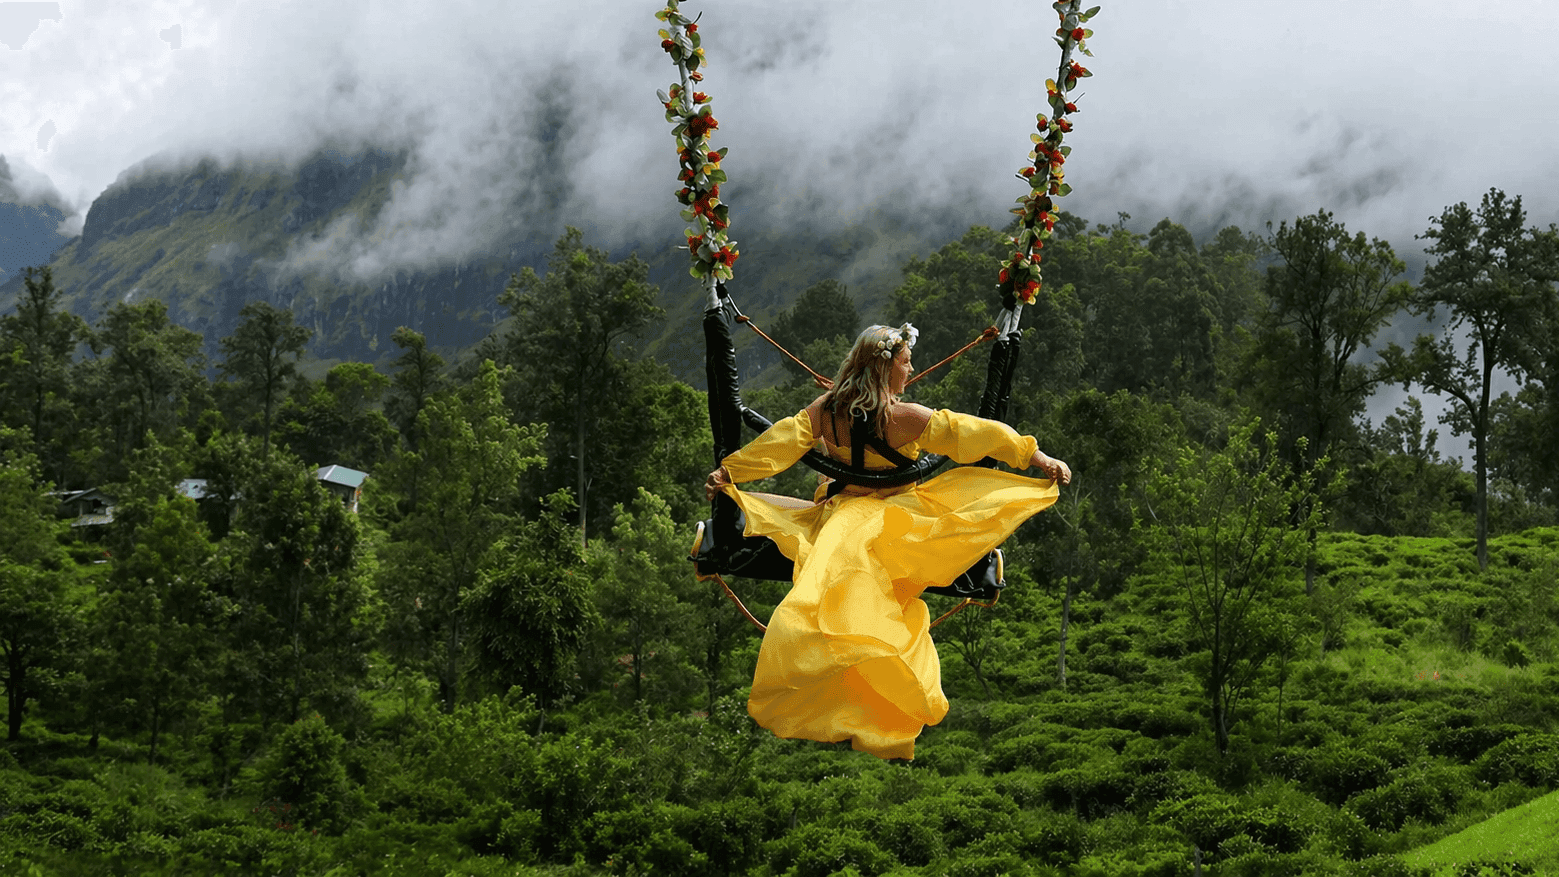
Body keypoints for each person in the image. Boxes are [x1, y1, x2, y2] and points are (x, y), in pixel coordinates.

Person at [704, 323, 1070, 759]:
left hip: (841, 516)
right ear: (883, 369)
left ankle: (851, 691)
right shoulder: (905, 418)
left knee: (830, 557)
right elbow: (974, 433)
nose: (910, 368)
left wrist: (732, 472)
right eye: (905, 362)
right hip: (896, 519)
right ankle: (875, 694)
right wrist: (1036, 456)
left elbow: (782, 442)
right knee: (955, 521)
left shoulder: (827, 410)